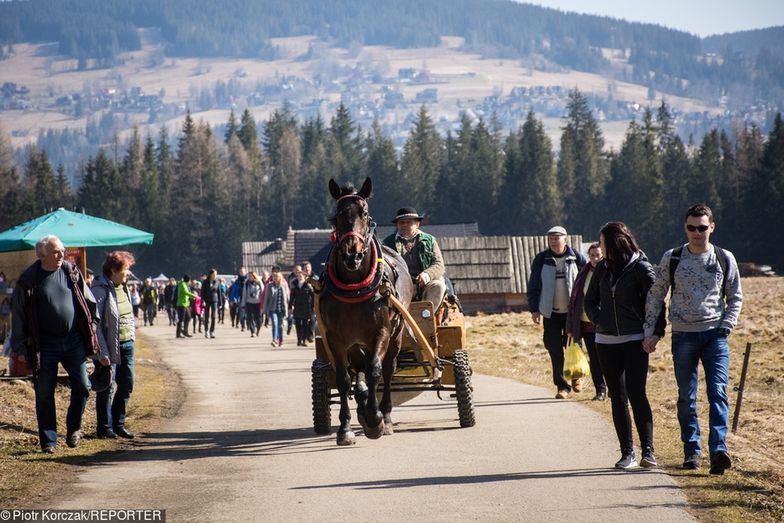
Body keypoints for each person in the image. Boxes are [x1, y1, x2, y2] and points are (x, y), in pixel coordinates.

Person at [644, 203, 743, 475]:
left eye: (702, 227)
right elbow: (656, 293)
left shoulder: (724, 258)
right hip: (684, 335)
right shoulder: (673, 257)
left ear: (712, 227)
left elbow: (735, 296)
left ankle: (718, 451)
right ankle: (692, 451)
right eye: (691, 228)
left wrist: (727, 326)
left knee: (718, 392)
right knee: (686, 397)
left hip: (715, 337)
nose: (697, 233)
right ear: (685, 228)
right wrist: (650, 331)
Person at [584, 222, 665, 470]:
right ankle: (627, 453)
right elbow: (590, 301)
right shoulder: (602, 269)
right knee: (617, 398)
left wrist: (655, 333)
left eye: (602, 241)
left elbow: (657, 302)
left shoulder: (641, 267)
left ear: (614, 242)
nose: (599, 246)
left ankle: (648, 452)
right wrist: (600, 321)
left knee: (636, 393)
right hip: (605, 342)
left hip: (634, 340)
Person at [10, 235, 99, 453]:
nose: (62, 254)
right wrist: (20, 348)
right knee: (44, 393)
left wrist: (92, 325)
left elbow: (89, 301)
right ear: (42, 256)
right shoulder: (28, 280)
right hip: (44, 344)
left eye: (63, 250)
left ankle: (73, 428)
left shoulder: (71, 272)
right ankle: (49, 441)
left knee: (83, 386)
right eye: (56, 252)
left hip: (73, 340)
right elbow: (19, 316)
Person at [527, 225, 587, 399]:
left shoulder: (576, 257)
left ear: (565, 239)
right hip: (551, 312)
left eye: (557, 237)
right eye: (551, 238)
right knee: (554, 348)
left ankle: (577, 376)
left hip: (572, 313)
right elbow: (534, 286)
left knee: (574, 345)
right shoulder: (541, 259)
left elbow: (587, 281)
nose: (554, 241)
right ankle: (562, 387)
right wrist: (534, 310)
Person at [91, 251, 137, 439]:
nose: (128, 274)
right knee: (106, 387)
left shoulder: (123, 287)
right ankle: (104, 427)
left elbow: (128, 315)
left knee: (127, 383)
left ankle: (119, 424)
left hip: (127, 344)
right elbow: (95, 324)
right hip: (109, 348)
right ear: (113, 270)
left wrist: (131, 336)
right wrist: (102, 351)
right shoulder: (100, 290)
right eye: (125, 270)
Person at [566, 242, 608, 401]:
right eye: (592, 256)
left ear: (603, 255)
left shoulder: (609, 272)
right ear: (588, 257)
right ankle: (600, 390)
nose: (596, 258)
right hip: (587, 323)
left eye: (598, 255)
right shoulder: (583, 273)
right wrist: (571, 325)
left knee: (609, 359)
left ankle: (615, 388)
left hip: (606, 324)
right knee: (595, 359)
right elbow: (575, 299)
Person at [382, 207, 447, 307]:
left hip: (425, 285)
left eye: (408, 222)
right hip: (398, 287)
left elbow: (439, 265)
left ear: (417, 224)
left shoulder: (429, 240)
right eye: (401, 222)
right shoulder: (387, 243)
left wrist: (427, 275)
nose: (404, 225)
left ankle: (425, 317)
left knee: (438, 286)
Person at [263, 269, 289, 347]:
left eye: (276, 276)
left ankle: (280, 340)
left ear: (280, 277)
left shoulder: (284, 285)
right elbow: (266, 298)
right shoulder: (269, 286)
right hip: (272, 309)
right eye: (273, 276)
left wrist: (287, 310)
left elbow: (287, 299)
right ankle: (274, 340)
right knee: (274, 323)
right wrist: (264, 310)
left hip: (281, 309)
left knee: (280, 326)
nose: (275, 278)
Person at [289, 267, 314, 346]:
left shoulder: (308, 286)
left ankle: (304, 340)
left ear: (304, 277)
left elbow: (313, 297)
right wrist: (290, 307)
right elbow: (292, 297)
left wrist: (313, 306)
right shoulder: (295, 286)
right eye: (298, 276)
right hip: (297, 307)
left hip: (306, 308)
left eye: (301, 276)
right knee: (298, 325)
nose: (299, 277)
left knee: (305, 325)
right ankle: (299, 339)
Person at [201, 269, 220, 338]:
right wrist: (202, 301)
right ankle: (206, 330)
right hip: (206, 300)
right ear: (211, 274)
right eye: (214, 274)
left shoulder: (217, 282)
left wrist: (220, 303)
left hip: (214, 300)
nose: (215, 276)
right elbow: (202, 292)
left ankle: (212, 331)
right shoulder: (205, 282)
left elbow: (219, 292)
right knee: (206, 316)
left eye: (216, 274)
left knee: (213, 316)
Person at [243, 272, 263, 337]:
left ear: (254, 276)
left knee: (259, 318)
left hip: (258, 302)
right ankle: (253, 331)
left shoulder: (259, 282)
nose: (250, 277)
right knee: (250, 317)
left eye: (251, 276)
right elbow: (244, 294)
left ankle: (258, 330)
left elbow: (263, 293)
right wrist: (243, 304)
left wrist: (263, 303)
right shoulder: (246, 283)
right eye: (249, 276)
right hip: (249, 302)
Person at [301, 261, 317, 341]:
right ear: (302, 270)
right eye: (305, 268)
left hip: (312, 303)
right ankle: (305, 337)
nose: (307, 269)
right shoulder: (300, 279)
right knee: (303, 321)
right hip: (302, 303)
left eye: (308, 267)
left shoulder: (315, 278)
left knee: (312, 320)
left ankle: (310, 336)